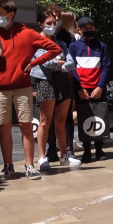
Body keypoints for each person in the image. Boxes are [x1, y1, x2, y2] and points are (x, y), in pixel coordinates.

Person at [0, 0, 62, 181]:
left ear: (11, 14)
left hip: (23, 87)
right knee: (4, 129)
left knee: (26, 127)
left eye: (0, 13)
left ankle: (29, 165)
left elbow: (54, 49)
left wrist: (33, 63)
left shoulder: (28, 34)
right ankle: (8, 167)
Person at [32, 10, 80, 169]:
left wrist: (59, 63)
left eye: (54, 23)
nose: (53, 26)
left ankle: (65, 154)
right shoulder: (37, 42)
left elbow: (72, 63)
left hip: (63, 82)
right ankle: (41, 156)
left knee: (61, 120)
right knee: (45, 121)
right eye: (49, 23)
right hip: (46, 82)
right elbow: (48, 64)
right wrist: (59, 62)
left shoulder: (61, 43)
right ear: (41, 24)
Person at [69, 17, 110, 163]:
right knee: (83, 117)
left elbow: (105, 67)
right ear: (79, 29)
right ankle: (86, 149)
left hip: (97, 87)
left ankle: (99, 149)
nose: (88, 29)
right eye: (84, 27)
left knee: (100, 116)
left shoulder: (102, 46)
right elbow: (72, 68)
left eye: (90, 26)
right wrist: (79, 88)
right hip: (82, 88)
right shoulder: (73, 47)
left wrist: (100, 86)